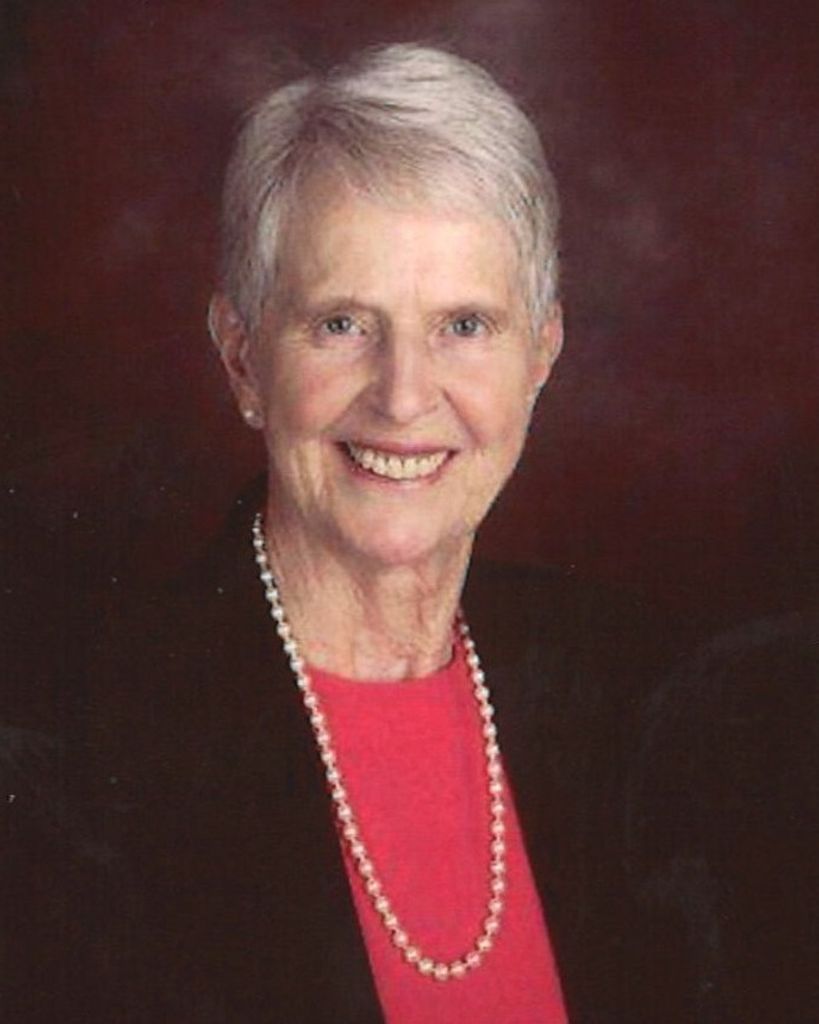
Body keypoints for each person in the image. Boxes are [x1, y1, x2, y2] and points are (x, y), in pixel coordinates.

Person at [4, 44, 678, 1023]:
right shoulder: (68, 755)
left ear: (541, 355)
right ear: (243, 358)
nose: (403, 397)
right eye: (341, 325)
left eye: (463, 325)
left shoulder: (644, 695)